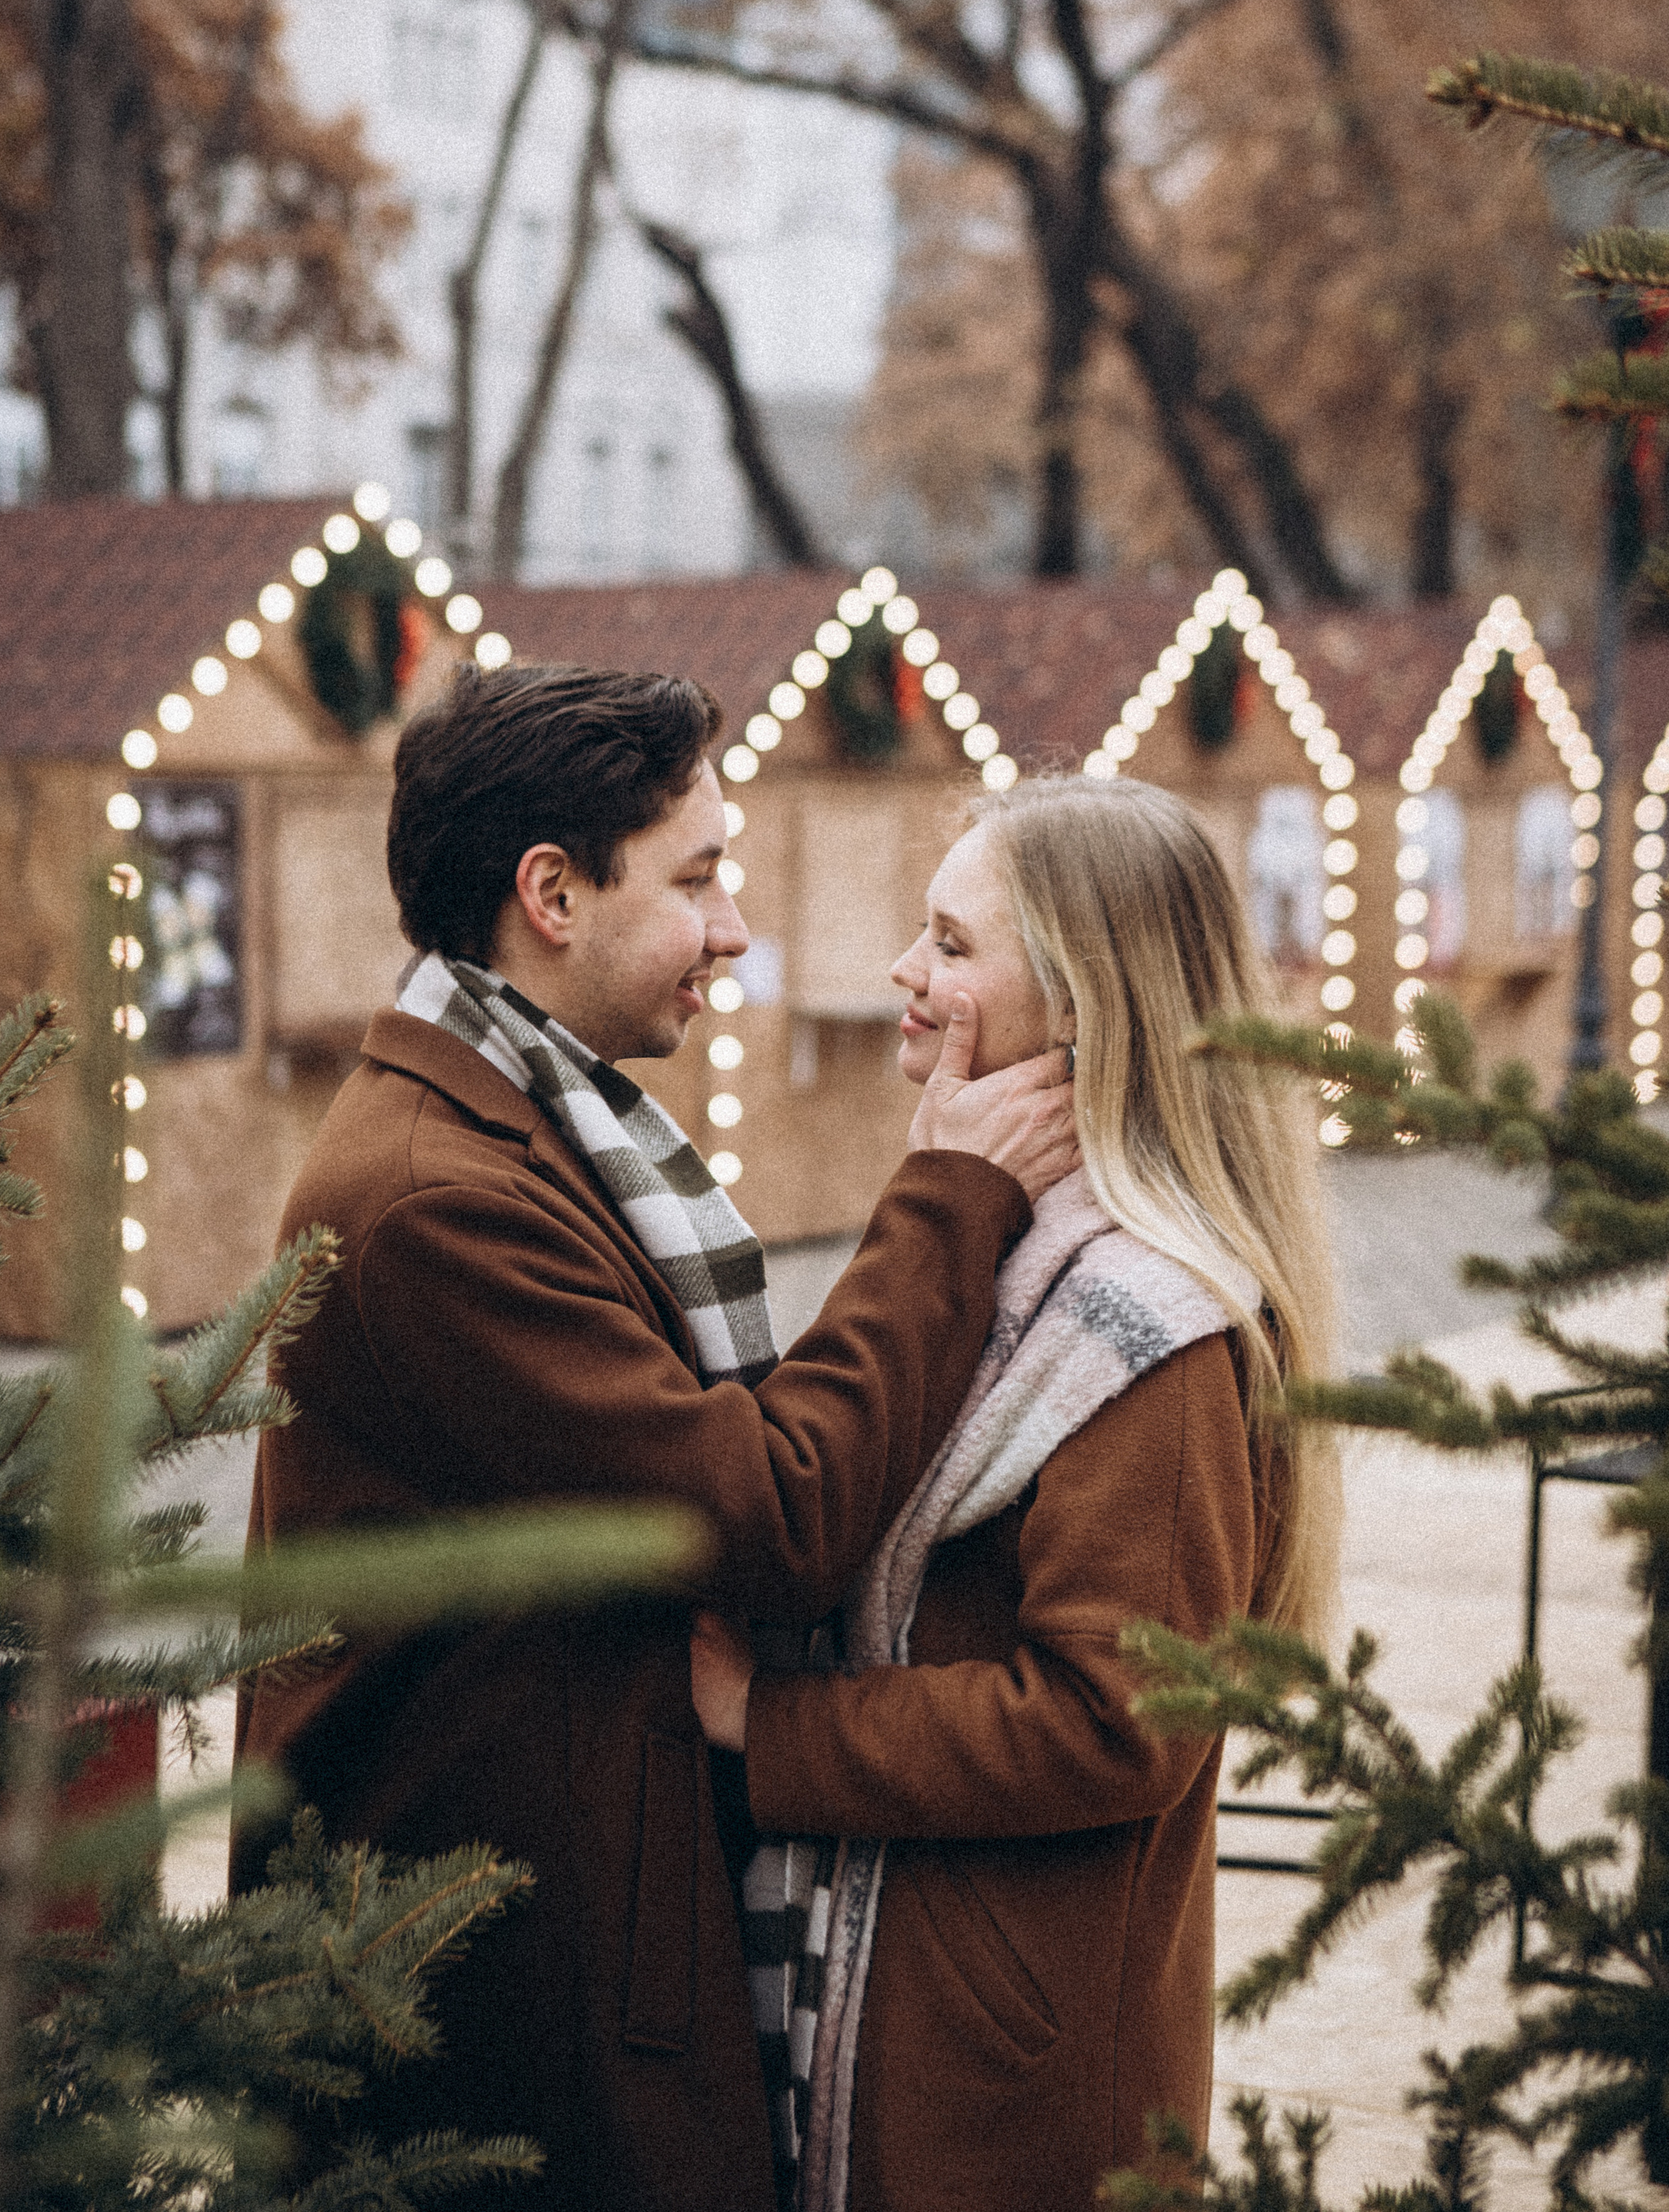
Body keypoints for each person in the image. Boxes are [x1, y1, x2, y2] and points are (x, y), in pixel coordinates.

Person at [230, 659, 1079, 2212]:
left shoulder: (529, 1128)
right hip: (490, 2017)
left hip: (537, 1937)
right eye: (698, 877)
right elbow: (762, 1507)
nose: (736, 927)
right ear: (549, 892)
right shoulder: (444, 1199)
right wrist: (952, 1200)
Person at [690, 775, 1341, 2212]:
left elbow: (1116, 1723)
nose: (903, 973)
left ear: (1084, 1002)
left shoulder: (1148, 1326)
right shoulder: (1008, 1247)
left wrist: (773, 1724)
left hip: (1007, 2068)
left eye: (951, 943)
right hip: (917, 1993)